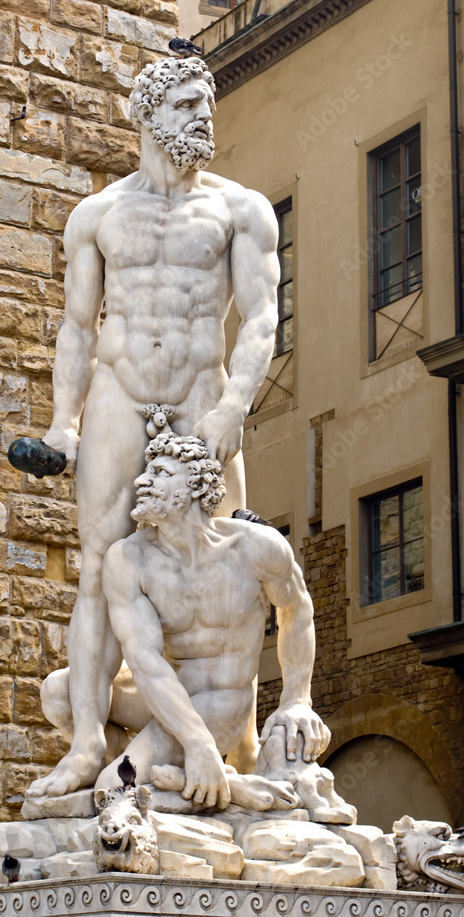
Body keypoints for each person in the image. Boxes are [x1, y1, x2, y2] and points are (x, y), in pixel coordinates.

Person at [27, 56, 282, 799]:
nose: (202, 114)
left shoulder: (241, 209)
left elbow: (262, 317)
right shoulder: (98, 214)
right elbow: (77, 328)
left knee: (230, 562)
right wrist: (62, 425)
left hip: (204, 398)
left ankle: (236, 742)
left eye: (206, 102)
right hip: (121, 392)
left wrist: (234, 406)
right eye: (184, 102)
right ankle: (81, 745)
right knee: (98, 564)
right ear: (146, 112)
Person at [76, 432, 330, 810]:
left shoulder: (257, 546)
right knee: (59, 693)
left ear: (195, 484)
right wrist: (197, 744)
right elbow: (145, 661)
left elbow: (297, 609)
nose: (142, 482)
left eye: (159, 473)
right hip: (164, 693)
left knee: (113, 787)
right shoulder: (128, 559)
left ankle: (193, 775)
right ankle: (203, 772)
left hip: (221, 700)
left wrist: (296, 699)